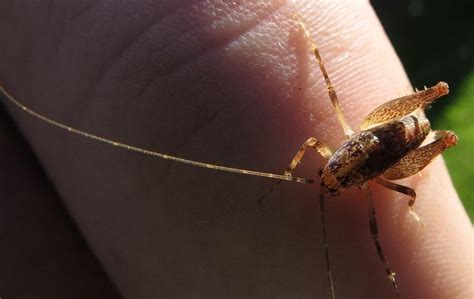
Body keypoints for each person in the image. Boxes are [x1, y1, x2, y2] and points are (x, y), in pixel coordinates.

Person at [0, 1, 472, 298]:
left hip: (388, 132)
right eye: (331, 179)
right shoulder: (352, 174)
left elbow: (321, 146)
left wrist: (390, 260)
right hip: (379, 135)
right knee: (393, 181)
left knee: (405, 181)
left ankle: (437, 121)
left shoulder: (360, 178)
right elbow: (314, 144)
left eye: (331, 179)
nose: (329, 181)